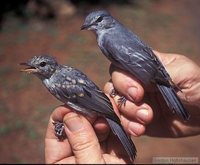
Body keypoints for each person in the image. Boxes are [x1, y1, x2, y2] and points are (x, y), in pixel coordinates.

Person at [45, 51, 200, 164]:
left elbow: (86, 106)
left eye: (41, 65)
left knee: (76, 119)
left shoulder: (58, 81)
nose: (36, 69)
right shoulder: (59, 79)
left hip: (99, 107)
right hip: (101, 105)